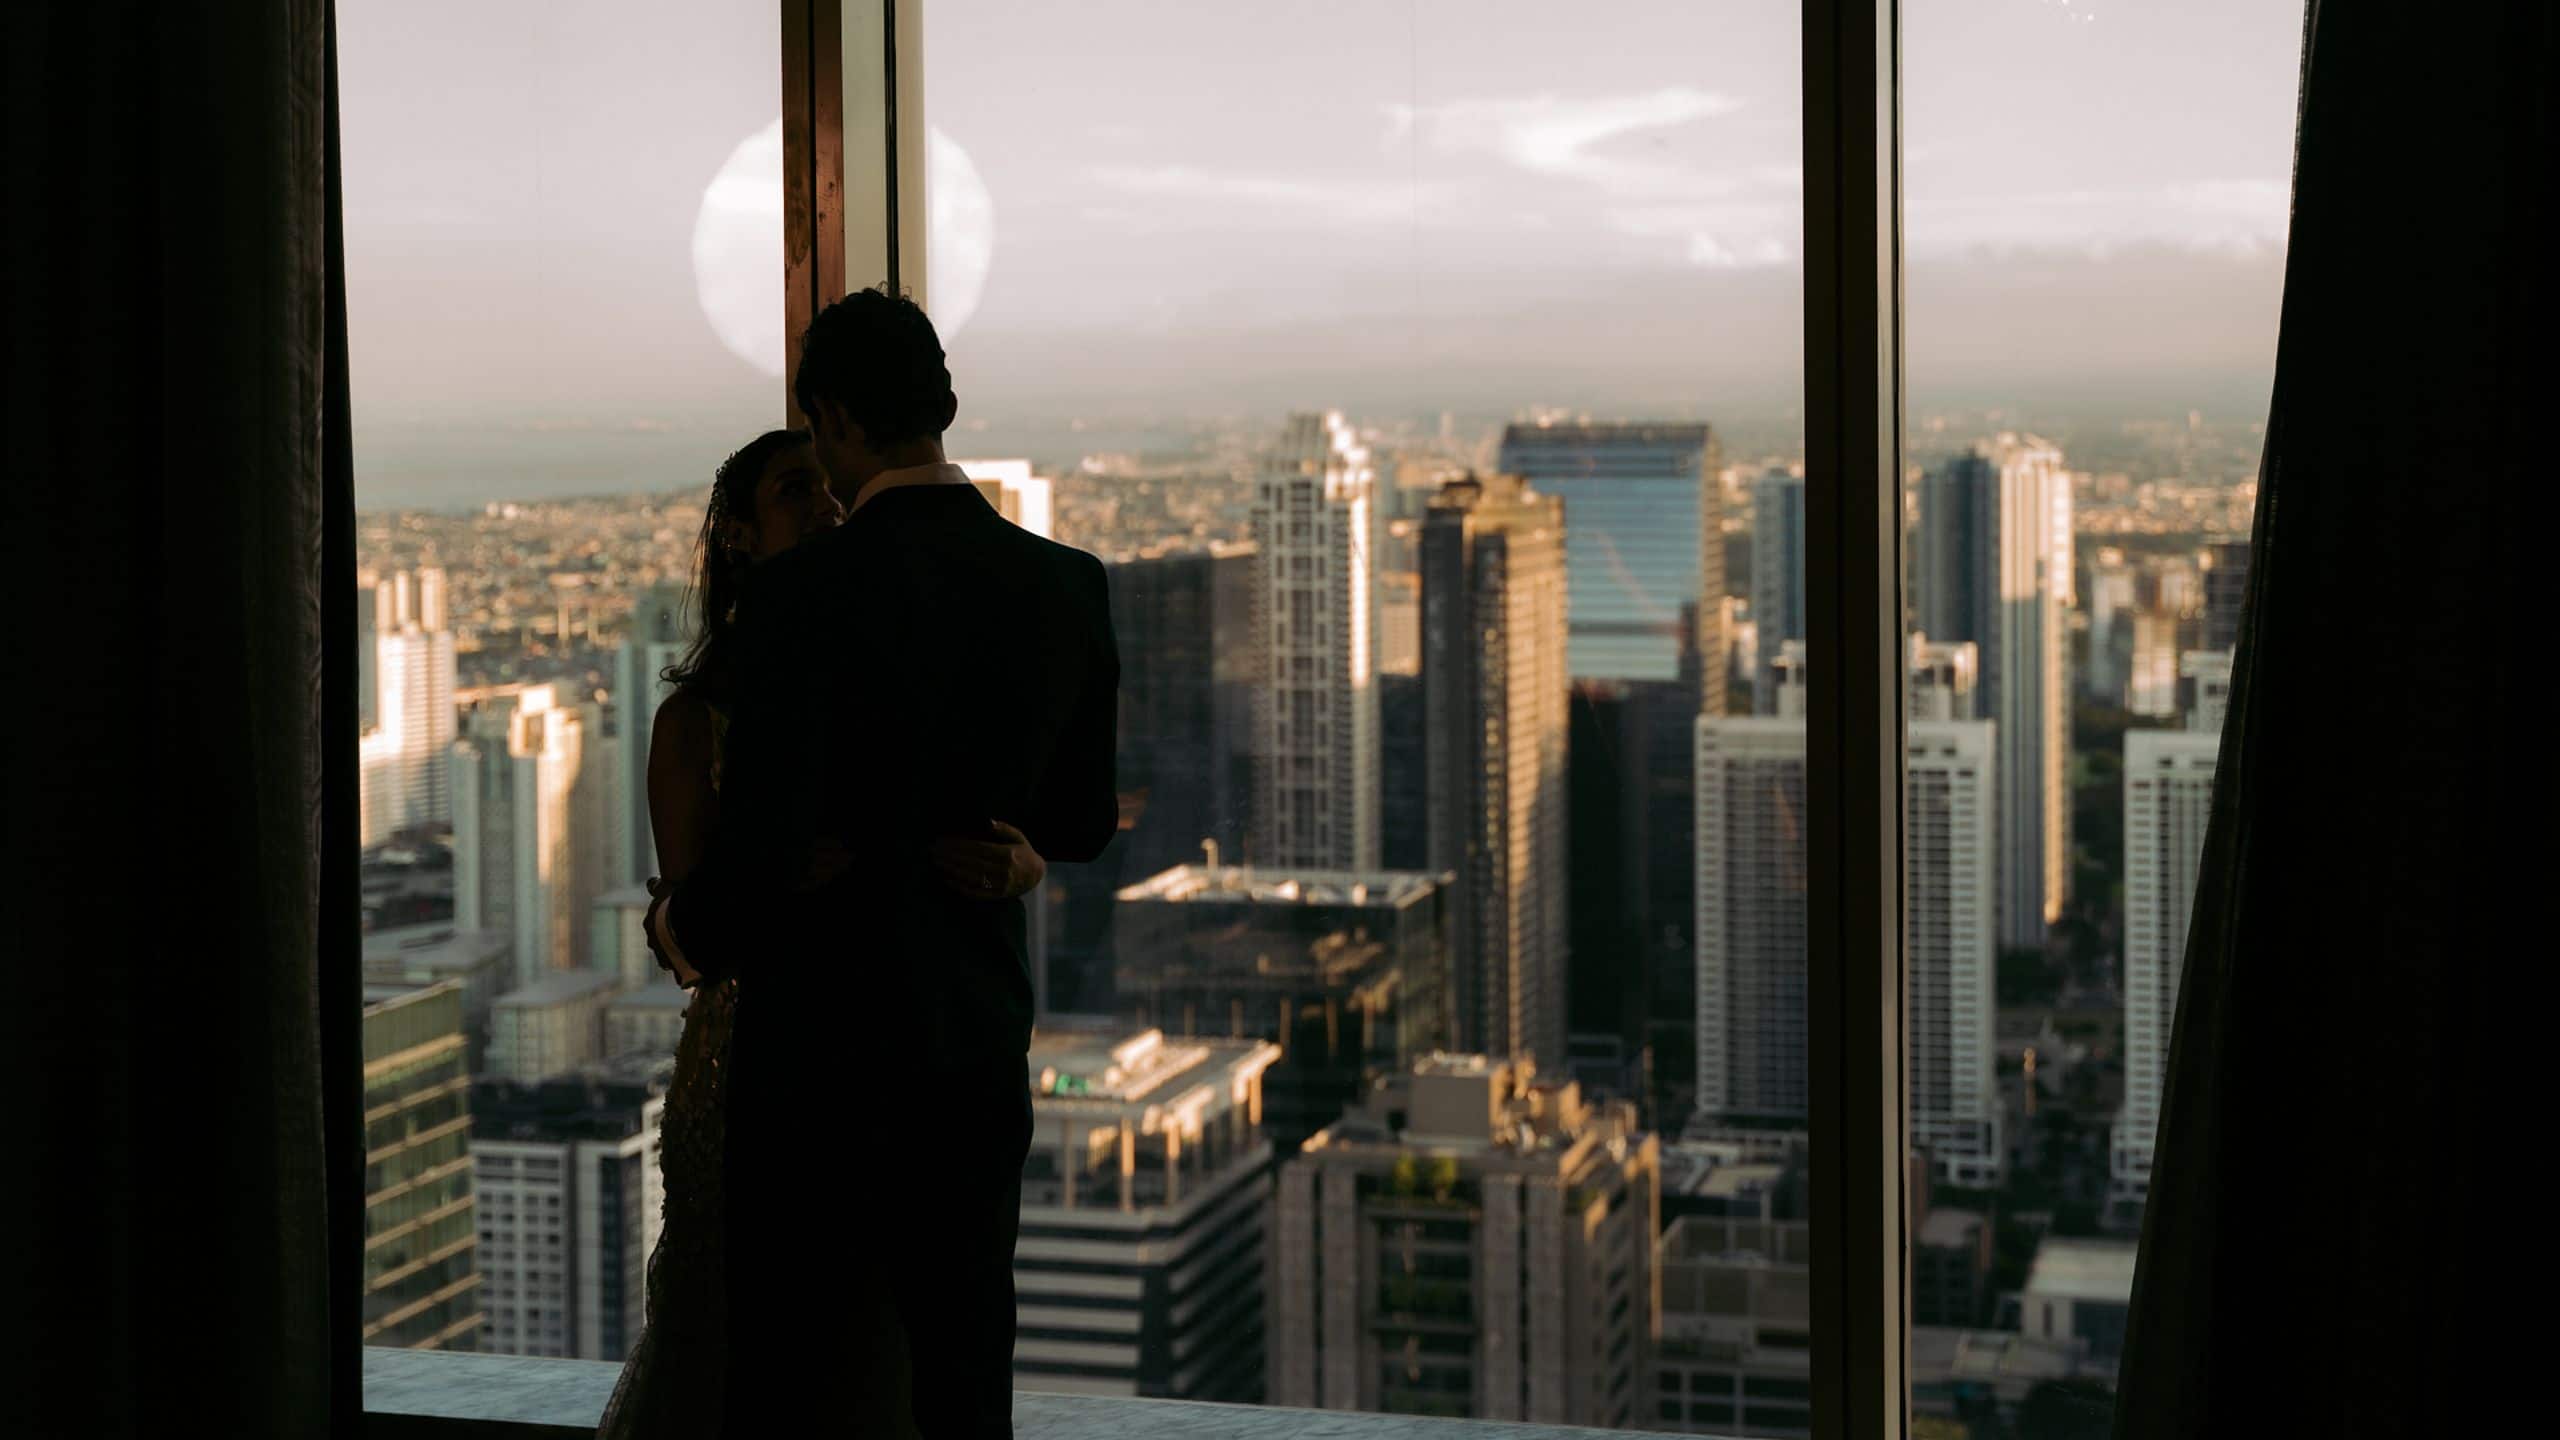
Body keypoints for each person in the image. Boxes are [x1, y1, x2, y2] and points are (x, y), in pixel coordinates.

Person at [645, 288, 1120, 1437]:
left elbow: (764, 851)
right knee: (962, 1370)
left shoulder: (801, 598)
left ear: (836, 421)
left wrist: (679, 934)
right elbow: (1079, 820)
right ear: (940, 407)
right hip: (967, 1037)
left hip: (816, 1057)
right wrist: (1018, 864)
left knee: (793, 1378)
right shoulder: (1067, 582)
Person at [596, 425, 1054, 1438]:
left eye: (828, 487)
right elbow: (692, 926)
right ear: (740, 538)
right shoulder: (696, 722)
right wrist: (758, 888)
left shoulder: (893, 684)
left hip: (896, 1060)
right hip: (754, 1063)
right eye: (794, 491)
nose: (827, 507)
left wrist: (1023, 864)